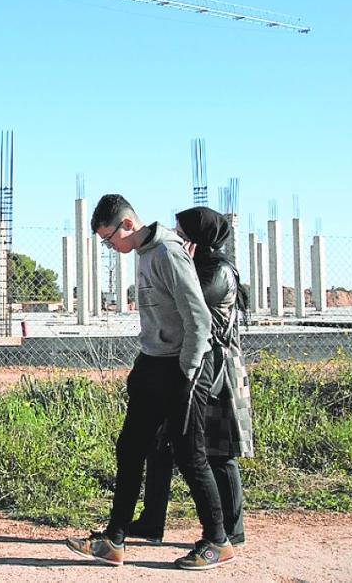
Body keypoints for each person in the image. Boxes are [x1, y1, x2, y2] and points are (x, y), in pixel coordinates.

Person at [66, 194, 235, 570]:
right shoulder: (143, 254)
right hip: (153, 362)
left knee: (190, 454)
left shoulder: (167, 253)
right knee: (130, 448)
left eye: (109, 238)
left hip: (184, 366)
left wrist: (187, 372)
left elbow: (199, 320)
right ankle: (114, 540)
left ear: (128, 225)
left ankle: (218, 540)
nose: (109, 247)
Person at [127, 206, 253, 547]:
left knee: (217, 452)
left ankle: (231, 529)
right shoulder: (193, 264)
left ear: (199, 236)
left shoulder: (218, 270)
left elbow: (196, 304)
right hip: (189, 361)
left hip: (217, 368)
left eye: (183, 233)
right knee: (160, 443)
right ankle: (151, 521)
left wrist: (183, 265)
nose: (178, 238)